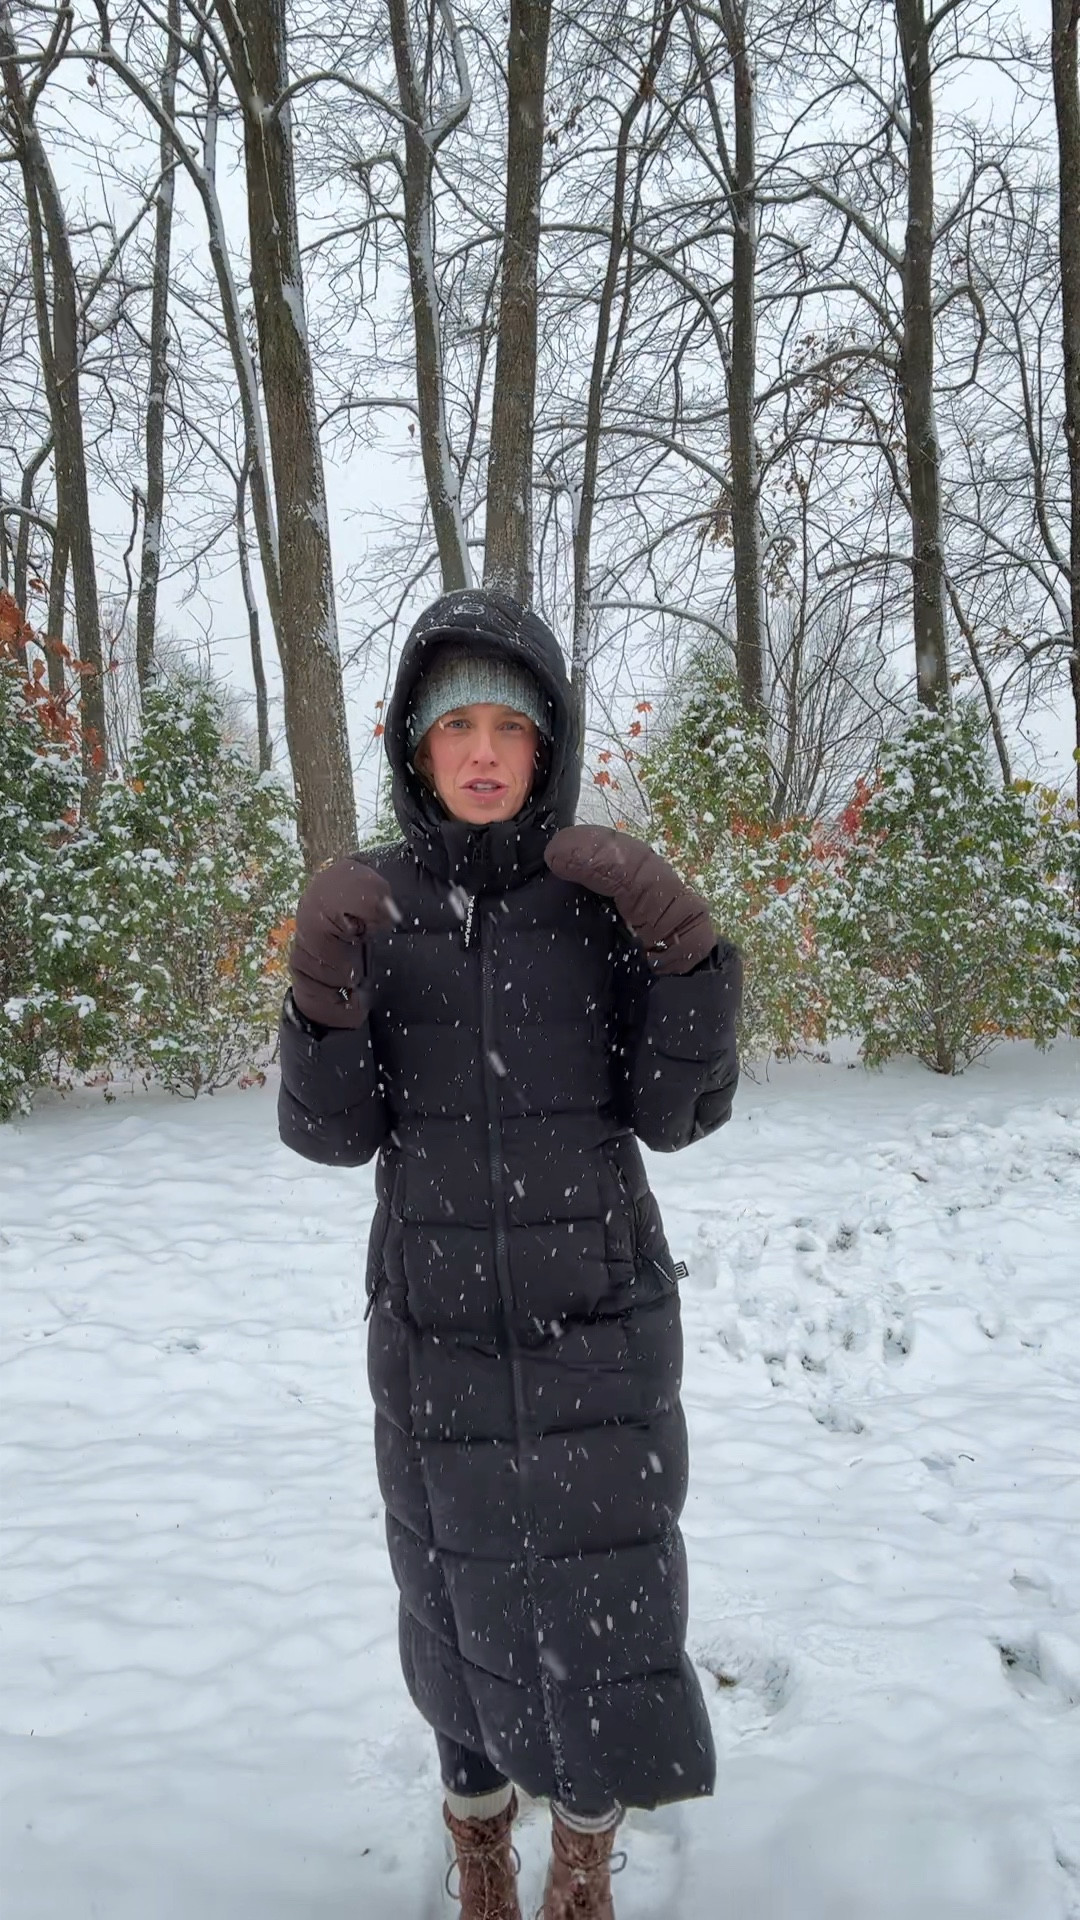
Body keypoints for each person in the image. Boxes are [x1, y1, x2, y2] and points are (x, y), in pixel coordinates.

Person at [277, 588, 743, 1920]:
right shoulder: (379, 907)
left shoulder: (593, 898)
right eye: (454, 725)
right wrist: (320, 985)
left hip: (594, 1319)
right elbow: (331, 1136)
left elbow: (678, 1111)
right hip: (436, 1334)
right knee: (458, 1604)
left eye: (511, 727)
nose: (483, 751)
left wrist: (690, 953)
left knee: (603, 1615)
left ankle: (583, 1850)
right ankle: (480, 1836)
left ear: (550, 744)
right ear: (414, 749)